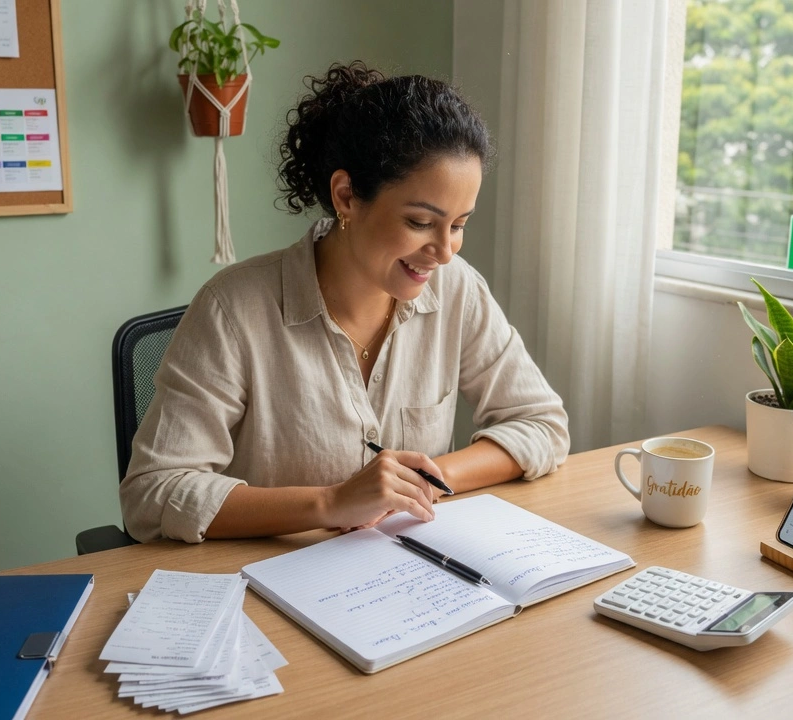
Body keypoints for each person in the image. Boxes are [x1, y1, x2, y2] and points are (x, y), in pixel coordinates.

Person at [120, 61, 569, 543]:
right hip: (273, 582)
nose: (445, 251)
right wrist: (331, 502)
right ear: (347, 196)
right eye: (420, 222)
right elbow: (153, 491)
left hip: (405, 578)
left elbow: (540, 424)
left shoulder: (457, 287)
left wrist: (418, 481)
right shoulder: (232, 309)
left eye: (458, 224)